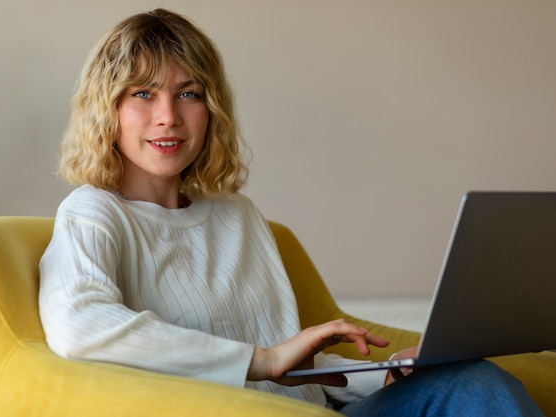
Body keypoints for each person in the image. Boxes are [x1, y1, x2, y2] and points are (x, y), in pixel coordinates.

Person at [38, 9, 544, 416]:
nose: (168, 115)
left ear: (211, 109)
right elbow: (79, 325)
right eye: (143, 94)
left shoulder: (239, 217)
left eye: (188, 93)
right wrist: (262, 361)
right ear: (107, 108)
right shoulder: (93, 214)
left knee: (471, 379)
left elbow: (293, 377)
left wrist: (383, 375)